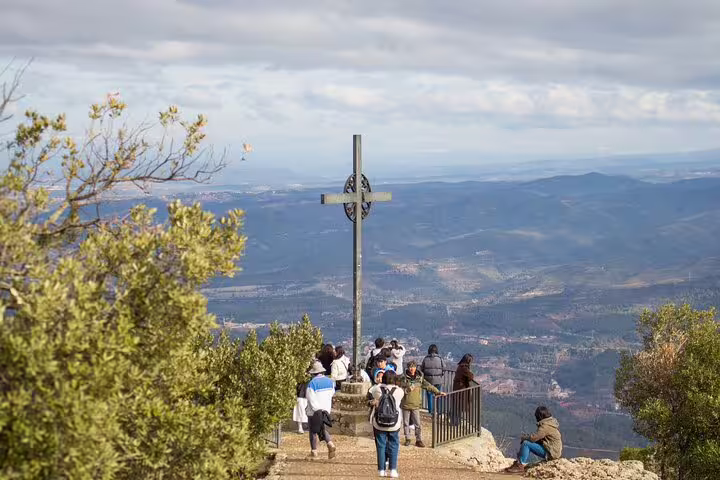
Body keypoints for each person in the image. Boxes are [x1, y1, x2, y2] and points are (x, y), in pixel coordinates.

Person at [399, 360, 446, 447]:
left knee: (418, 424)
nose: (412, 369)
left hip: (416, 404)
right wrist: (407, 390)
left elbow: (428, 386)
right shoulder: (403, 378)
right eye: (410, 367)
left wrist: (438, 392)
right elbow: (399, 390)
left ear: (416, 367)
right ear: (407, 368)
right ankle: (407, 439)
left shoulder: (419, 378)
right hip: (405, 404)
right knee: (406, 423)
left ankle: (418, 440)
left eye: (413, 367)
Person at [505, 406, 563, 474]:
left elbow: (534, 438)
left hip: (551, 453)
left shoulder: (545, 426)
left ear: (539, 416)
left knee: (526, 443)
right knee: (528, 442)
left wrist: (524, 438)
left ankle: (520, 465)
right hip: (553, 451)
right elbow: (538, 438)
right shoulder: (550, 423)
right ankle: (519, 462)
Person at [368, 370, 404, 478]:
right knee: (393, 444)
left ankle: (381, 470)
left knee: (381, 445)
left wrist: (379, 383)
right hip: (394, 422)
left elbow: (371, 392)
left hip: (379, 422)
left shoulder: (377, 389)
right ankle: (393, 469)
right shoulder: (399, 391)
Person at [305, 360, 337, 460]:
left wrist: (315, 409)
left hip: (315, 410)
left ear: (313, 373)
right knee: (322, 428)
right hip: (326, 409)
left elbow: (310, 398)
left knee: (313, 431)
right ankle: (330, 443)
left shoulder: (312, 383)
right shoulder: (330, 382)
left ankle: (314, 451)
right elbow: (332, 393)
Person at [420, 344, 446, 414]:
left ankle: (430, 411)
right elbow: (444, 368)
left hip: (428, 380)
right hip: (438, 380)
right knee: (438, 394)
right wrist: (441, 375)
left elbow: (422, 369)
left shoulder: (425, 358)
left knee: (429, 396)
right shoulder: (440, 358)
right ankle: (439, 411)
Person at [451, 354, 475, 426]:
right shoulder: (464, 368)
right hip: (460, 389)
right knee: (459, 406)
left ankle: (455, 421)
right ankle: (456, 422)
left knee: (457, 406)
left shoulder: (460, 366)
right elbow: (471, 376)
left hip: (457, 388)